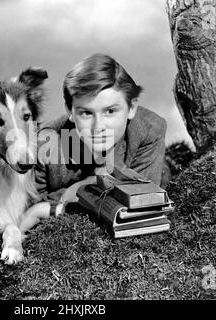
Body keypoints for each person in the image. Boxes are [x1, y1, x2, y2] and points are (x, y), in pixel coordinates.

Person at [19, 53, 167, 232]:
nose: (98, 126)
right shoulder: (47, 141)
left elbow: (142, 201)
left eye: (110, 111)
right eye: (86, 113)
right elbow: (28, 207)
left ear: (132, 108)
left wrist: (76, 190)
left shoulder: (150, 129)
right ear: (70, 112)